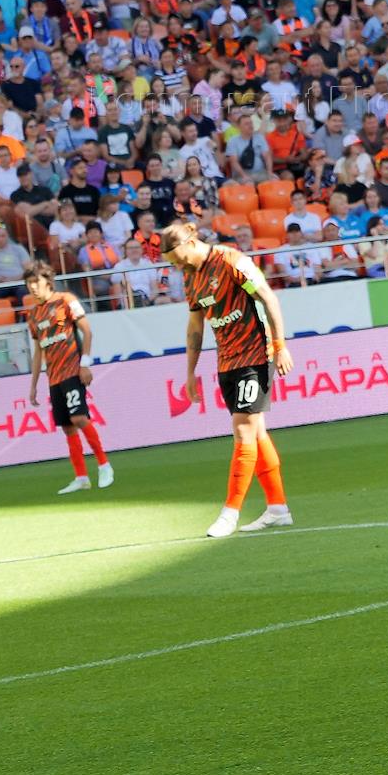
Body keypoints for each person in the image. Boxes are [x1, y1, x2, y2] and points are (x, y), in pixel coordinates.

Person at [162, 220, 295, 538]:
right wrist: (190, 371)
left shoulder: (231, 261)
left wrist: (280, 346)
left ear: (191, 243)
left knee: (243, 429)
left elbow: (268, 297)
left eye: (178, 259)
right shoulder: (191, 277)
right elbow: (196, 325)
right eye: (172, 263)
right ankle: (278, 509)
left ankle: (229, 513)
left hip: (256, 354)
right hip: (227, 360)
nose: (178, 266)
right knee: (256, 432)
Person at [24, 261, 114, 495]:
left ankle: (104, 465)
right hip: (53, 377)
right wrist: (33, 385)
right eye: (29, 283)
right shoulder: (33, 315)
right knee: (67, 426)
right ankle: (81, 477)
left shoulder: (66, 300)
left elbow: (87, 330)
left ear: (47, 281)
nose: (32, 287)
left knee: (79, 418)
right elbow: (38, 351)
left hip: (72, 370)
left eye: (36, 282)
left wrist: (85, 364)